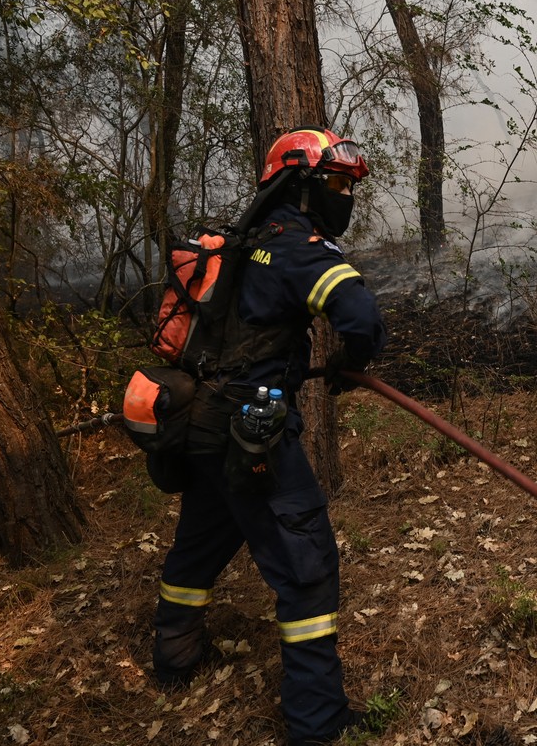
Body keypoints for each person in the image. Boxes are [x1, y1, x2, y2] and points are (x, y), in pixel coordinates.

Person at [150, 127, 386, 746]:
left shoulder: (243, 242)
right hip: (252, 435)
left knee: (200, 542)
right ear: (298, 187)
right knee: (307, 568)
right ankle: (318, 723)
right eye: (334, 183)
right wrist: (352, 360)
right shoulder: (295, 247)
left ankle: (175, 655)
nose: (343, 196)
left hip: (200, 424)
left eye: (348, 186)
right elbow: (361, 317)